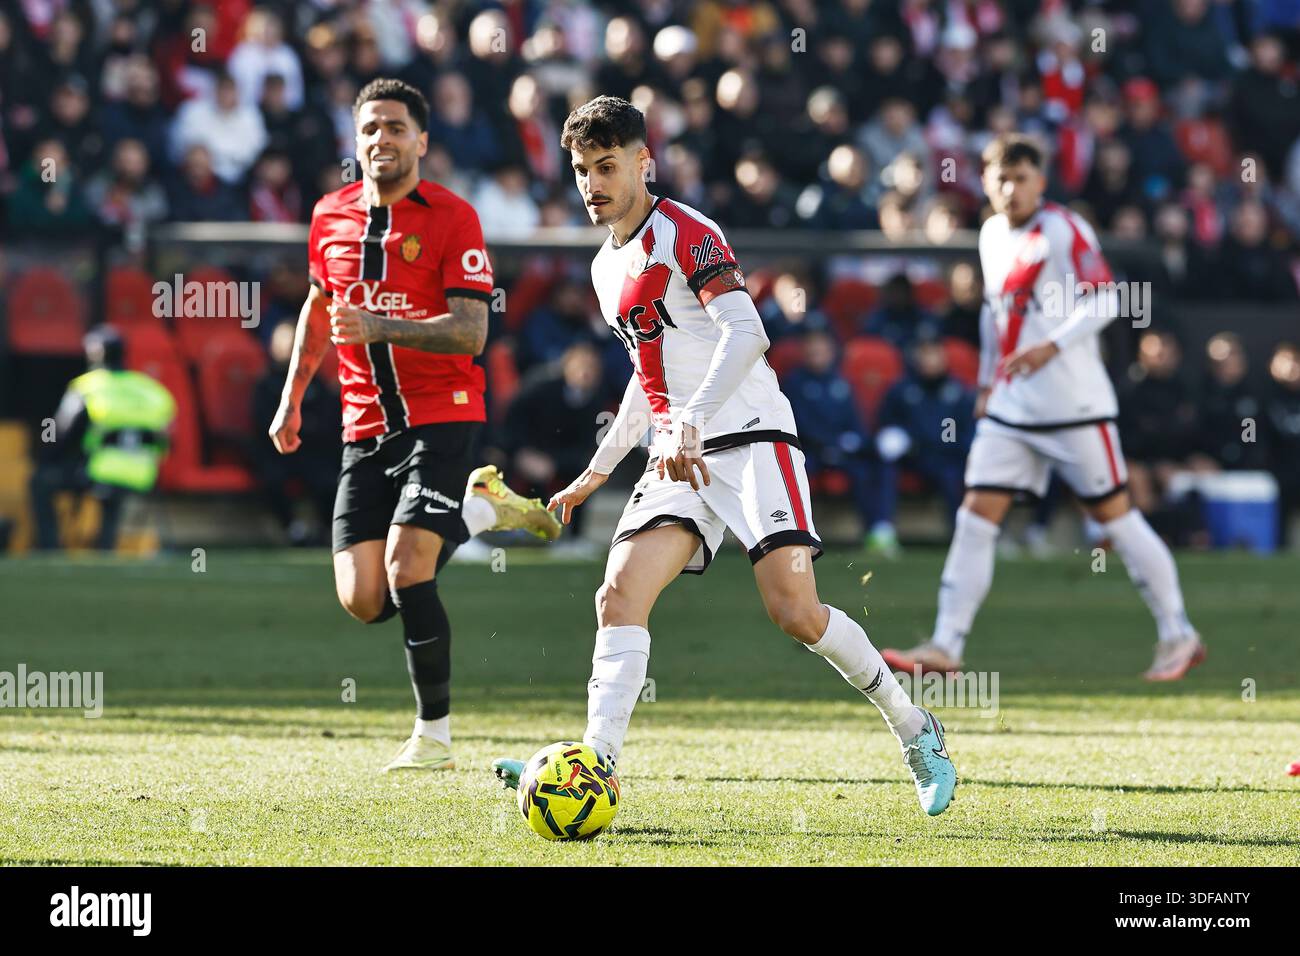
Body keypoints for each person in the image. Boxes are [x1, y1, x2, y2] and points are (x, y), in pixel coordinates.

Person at [490, 96, 955, 816]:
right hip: (680, 456)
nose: (592, 183)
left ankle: (915, 725)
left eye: (607, 166)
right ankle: (597, 767)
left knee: (796, 612)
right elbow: (650, 382)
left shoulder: (686, 231)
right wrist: (598, 468)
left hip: (752, 440)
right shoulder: (603, 269)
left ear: (645, 162)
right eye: (581, 170)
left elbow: (748, 334)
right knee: (617, 592)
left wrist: (691, 423)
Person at [267, 78, 560, 773]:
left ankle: (434, 736)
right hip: (362, 428)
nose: (382, 140)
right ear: (356, 139)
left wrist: (378, 324)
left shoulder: (454, 217)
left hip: (443, 416)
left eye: (396, 128)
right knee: (364, 598)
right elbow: (317, 308)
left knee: (407, 568)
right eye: (370, 128)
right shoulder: (328, 215)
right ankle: (482, 513)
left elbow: (471, 331)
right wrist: (292, 395)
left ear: (421, 141)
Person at [882, 135, 1205, 682]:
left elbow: (1107, 298)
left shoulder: (1064, 229)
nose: (1011, 188)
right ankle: (946, 645)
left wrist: (1051, 344)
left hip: (1075, 407)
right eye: (1001, 178)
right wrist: (987, 382)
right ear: (985, 182)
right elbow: (994, 315)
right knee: (975, 517)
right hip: (1012, 407)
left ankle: (1179, 632)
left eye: (1022, 177)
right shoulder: (989, 234)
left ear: (1042, 181)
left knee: (1116, 519)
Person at [30, 327, 175, 551]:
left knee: (40, 481)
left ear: (95, 354)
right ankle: (105, 545)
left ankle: (50, 548)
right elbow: (167, 438)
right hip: (144, 475)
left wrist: (44, 459)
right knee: (111, 492)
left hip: (100, 472)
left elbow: (61, 435)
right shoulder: (151, 389)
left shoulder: (88, 387)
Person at [782, 327, 884, 552]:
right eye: (812, 348)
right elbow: (797, 423)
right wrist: (826, 444)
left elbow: (855, 423)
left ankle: (877, 532)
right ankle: (797, 535)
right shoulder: (793, 383)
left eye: (822, 348)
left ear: (831, 351)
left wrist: (851, 443)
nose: (817, 353)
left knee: (866, 473)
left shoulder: (842, 383)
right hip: (807, 451)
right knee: (796, 476)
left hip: (840, 451)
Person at [873, 333, 975, 546]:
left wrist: (954, 447)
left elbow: (963, 433)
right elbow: (885, 424)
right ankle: (882, 530)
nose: (928, 359)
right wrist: (897, 437)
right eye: (924, 353)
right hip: (913, 457)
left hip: (946, 458)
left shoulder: (957, 392)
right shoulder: (902, 390)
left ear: (943, 356)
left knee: (952, 475)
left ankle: (961, 536)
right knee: (886, 468)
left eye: (933, 353)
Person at [502, 339, 606, 542]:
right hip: (524, 450)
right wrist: (522, 452)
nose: (585, 372)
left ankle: (574, 538)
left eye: (591, 367)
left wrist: (556, 462)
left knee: (587, 475)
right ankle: (522, 532)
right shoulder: (540, 385)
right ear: (567, 364)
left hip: (560, 458)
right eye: (581, 364)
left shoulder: (596, 398)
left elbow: (586, 444)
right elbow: (512, 421)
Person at [252, 321, 340, 545]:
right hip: (278, 452)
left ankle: (326, 529)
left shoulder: (316, 382)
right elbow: (261, 421)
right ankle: (293, 530)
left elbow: (328, 419)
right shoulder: (266, 385)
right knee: (273, 479)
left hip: (312, 450)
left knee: (328, 479)